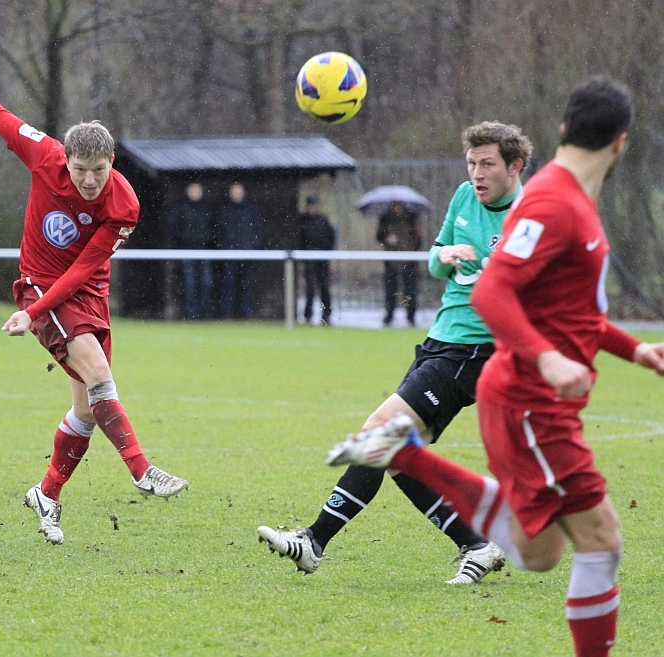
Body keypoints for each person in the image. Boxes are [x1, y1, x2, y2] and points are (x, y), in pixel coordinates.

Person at [326, 77, 664, 657]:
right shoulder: (554, 202)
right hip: (533, 402)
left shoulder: (563, 199)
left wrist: (635, 350)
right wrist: (548, 358)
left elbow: (573, 312)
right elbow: (491, 292)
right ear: (621, 143)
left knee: (541, 552)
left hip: (530, 398)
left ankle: (406, 455)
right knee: (601, 542)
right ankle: (404, 454)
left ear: (564, 130)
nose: (478, 174)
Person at [0, 47, 187, 545]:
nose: (88, 180)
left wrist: (35, 313)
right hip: (40, 284)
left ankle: (47, 494)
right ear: (66, 159)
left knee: (87, 410)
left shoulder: (125, 204)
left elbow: (84, 267)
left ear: (112, 162)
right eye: (80, 169)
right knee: (99, 375)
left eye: (98, 170)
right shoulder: (43, 154)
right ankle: (142, 470)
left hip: (85, 289)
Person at [259, 121, 533, 584]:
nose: (476, 173)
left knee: (379, 431)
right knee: (400, 454)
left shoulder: (529, 218)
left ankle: (314, 541)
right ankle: (476, 543)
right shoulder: (464, 196)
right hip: (440, 340)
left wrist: (486, 265)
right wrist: (446, 256)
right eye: (471, 163)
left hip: (476, 349)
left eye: (487, 164)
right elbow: (434, 260)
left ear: (515, 166)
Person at [216, 182, 261, 319]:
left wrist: (252, 247)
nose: (236, 195)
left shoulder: (249, 212)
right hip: (228, 255)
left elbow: (257, 232)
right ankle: (227, 314)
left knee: (247, 285)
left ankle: (248, 314)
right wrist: (224, 247)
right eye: (234, 192)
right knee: (228, 284)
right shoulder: (223, 211)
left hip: (247, 255)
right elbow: (218, 233)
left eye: (239, 192)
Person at [171, 182, 213, 319]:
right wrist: (186, 239)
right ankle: (191, 313)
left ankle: (202, 312)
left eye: (197, 191)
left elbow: (213, 228)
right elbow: (174, 228)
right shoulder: (181, 208)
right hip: (187, 249)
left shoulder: (206, 209)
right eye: (193, 191)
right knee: (189, 283)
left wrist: (205, 239)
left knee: (206, 282)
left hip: (204, 249)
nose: (195, 194)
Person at [377, 200, 422, 326]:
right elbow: (379, 235)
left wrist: (410, 250)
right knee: (390, 288)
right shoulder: (385, 218)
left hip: (409, 260)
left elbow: (418, 238)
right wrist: (387, 238)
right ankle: (389, 315)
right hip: (391, 260)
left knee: (410, 289)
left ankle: (411, 316)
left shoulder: (412, 217)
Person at [298, 195, 336, 325]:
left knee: (324, 286)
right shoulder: (303, 221)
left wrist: (326, 254)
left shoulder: (323, 221)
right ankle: (308, 315)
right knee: (310, 287)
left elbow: (331, 239)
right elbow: (300, 240)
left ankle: (327, 313)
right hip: (308, 259)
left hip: (322, 259)